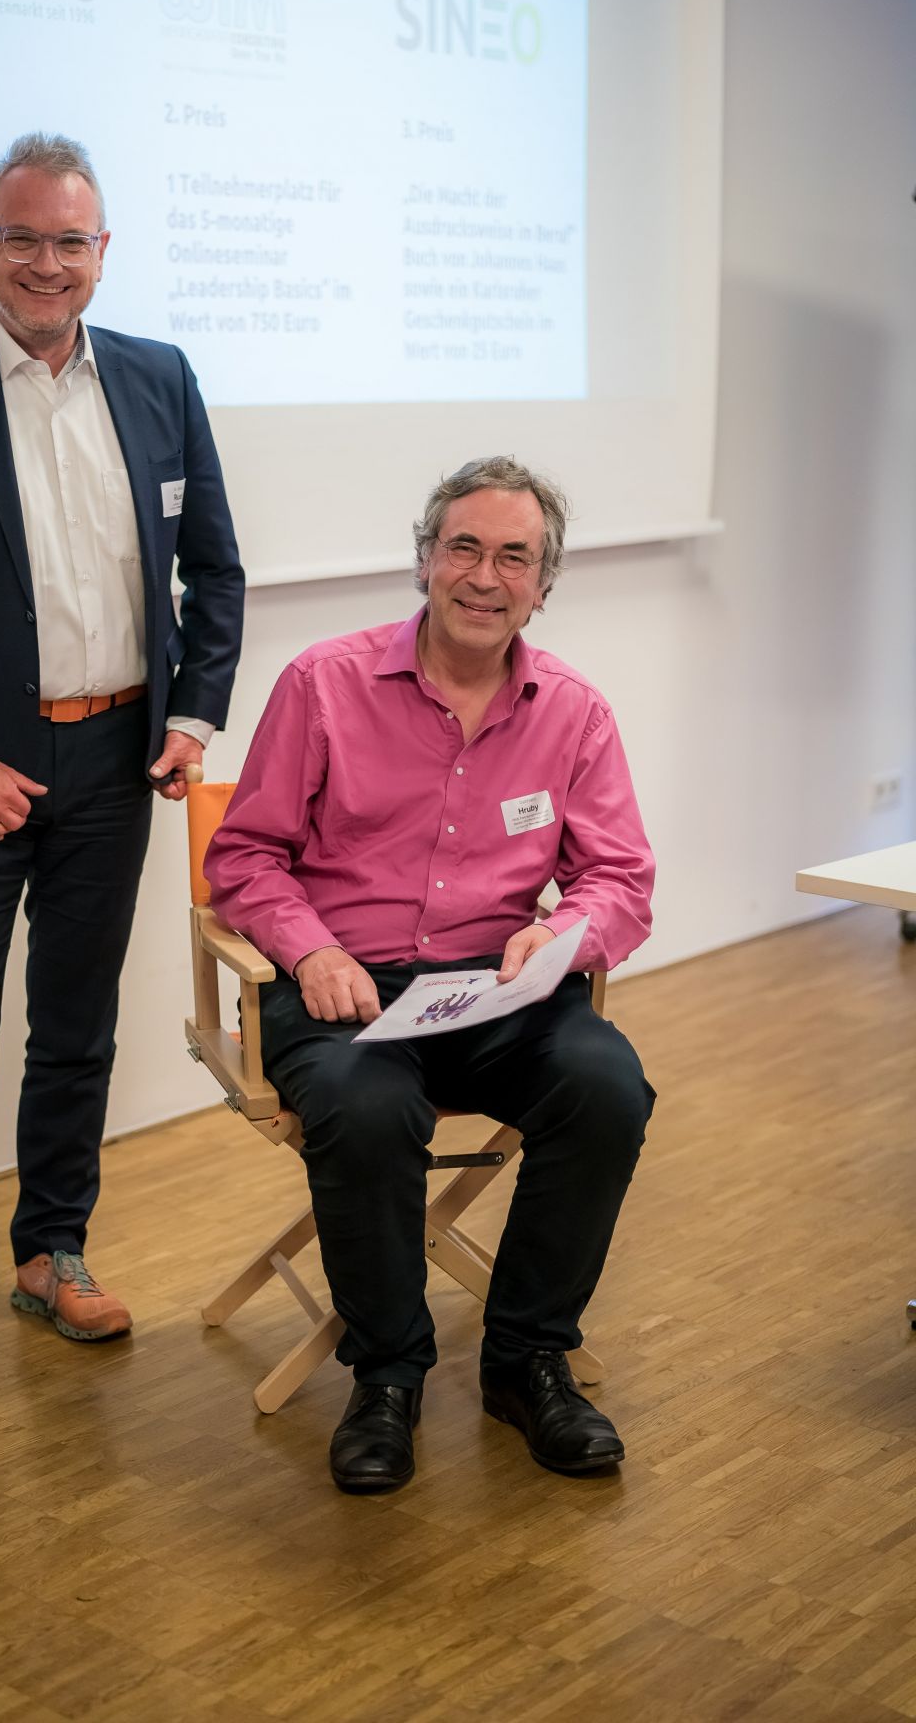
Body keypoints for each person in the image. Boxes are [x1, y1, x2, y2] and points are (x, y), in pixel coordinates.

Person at [0, 132, 244, 1390]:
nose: (45, 263)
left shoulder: (160, 378)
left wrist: (191, 718)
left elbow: (215, 568)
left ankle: (53, 1252)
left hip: (116, 764)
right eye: (19, 238)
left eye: (69, 241)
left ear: (102, 252)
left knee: (75, 1027)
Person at [205, 456, 654, 1493]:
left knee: (607, 1087)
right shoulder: (322, 682)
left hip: (497, 987)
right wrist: (310, 948)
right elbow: (245, 856)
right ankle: (388, 1376)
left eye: (515, 557)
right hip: (344, 988)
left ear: (543, 585)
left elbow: (620, 878)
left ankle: (526, 1361)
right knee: (366, 1110)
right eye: (464, 548)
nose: (485, 577)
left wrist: (566, 934)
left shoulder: (575, 712)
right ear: (424, 560)